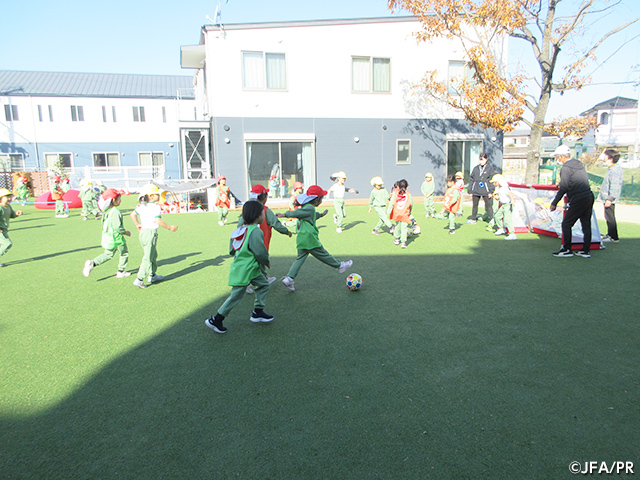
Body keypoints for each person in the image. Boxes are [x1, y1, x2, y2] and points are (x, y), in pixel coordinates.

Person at [205, 201, 274, 334]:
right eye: (262, 213)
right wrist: (267, 261)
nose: (264, 215)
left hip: (246, 269)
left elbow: (231, 250)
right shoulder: (256, 231)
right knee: (236, 296)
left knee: (264, 284)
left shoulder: (239, 230)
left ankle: (258, 311)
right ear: (257, 215)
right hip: (247, 269)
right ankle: (216, 319)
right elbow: (260, 251)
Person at [276, 185, 353, 292]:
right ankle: (340, 266)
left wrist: (321, 215)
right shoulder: (310, 208)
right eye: (321, 198)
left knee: (299, 259)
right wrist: (285, 214)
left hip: (301, 238)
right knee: (323, 254)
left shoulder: (306, 208)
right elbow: (298, 213)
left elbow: (311, 215)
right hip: (309, 238)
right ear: (316, 199)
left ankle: (289, 279)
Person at [244, 184, 292, 293]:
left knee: (252, 261)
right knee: (259, 261)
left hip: (246, 242)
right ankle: (251, 282)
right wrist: (287, 232)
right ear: (264, 197)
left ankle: (261, 278)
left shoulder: (247, 209)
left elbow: (240, 225)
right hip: (261, 241)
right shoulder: (265, 210)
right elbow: (276, 224)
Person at [130, 184, 178, 289]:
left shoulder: (141, 206)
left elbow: (133, 214)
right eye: (157, 194)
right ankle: (139, 279)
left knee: (153, 254)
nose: (159, 196)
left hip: (143, 233)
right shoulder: (156, 207)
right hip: (150, 233)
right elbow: (158, 220)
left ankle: (152, 275)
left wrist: (137, 224)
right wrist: (170, 227)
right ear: (151, 196)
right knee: (148, 256)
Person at [549, 144, 595, 258]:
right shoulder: (579, 164)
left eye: (556, 157)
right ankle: (585, 250)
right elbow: (573, 180)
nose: (557, 159)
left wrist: (554, 203)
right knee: (586, 223)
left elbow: (564, 187)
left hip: (578, 198)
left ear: (561, 156)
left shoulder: (566, 168)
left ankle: (567, 249)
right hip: (588, 196)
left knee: (566, 223)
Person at [83, 188, 132, 278]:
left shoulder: (106, 211)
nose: (120, 200)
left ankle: (92, 263)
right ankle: (121, 271)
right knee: (124, 253)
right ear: (113, 200)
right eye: (119, 198)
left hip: (108, 237)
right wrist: (125, 232)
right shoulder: (115, 211)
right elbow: (117, 227)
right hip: (117, 238)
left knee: (108, 254)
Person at [599, 149, 623, 243]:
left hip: (609, 198)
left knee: (610, 217)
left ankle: (613, 237)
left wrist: (610, 198)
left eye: (605, 156)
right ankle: (610, 234)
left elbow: (615, 186)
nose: (603, 157)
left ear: (610, 158)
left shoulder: (615, 170)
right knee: (608, 216)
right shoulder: (612, 169)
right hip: (607, 197)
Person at [467, 153, 495, 224]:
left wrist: (491, 191)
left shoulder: (490, 168)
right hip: (476, 190)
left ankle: (492, 220)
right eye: (480, 159)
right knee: (475, 205)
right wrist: (470, 190)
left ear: (486, 159)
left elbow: (492, 180)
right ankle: (473, 219)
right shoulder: (476, 168)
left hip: (486, 191)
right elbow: (471, 179)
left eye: (483, 159)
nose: (481, 161)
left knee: (489, 206)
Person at [0, 188, 23, 267]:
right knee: (7, 244)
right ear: (1, 198)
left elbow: (12, 215)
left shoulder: (8, 206)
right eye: (7, 197)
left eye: (10, 197)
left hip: (4, 230)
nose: (9, 199)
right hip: (0, 231)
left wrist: (16, 214)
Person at [490, 174, 517, 240]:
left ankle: (512, 234)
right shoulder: (499, 189)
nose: (493, 184)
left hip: (507, 204)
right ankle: (501, 229)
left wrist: (512, 200)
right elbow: (502, 196)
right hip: (503, 205)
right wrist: (497, 197)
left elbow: (509, 194)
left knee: (507, 219)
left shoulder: (504, 188)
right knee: (497, 216)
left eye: (495, 182)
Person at [387, 179, 412, 248]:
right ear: (407, 187)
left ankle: (396, 239)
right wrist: (410, 211)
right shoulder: (408, 194)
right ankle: (403, 242)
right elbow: (411, 204)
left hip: (397, 213)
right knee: (404, 228)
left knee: (398, 226)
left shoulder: (395, 194)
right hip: (405, 214)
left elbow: (391, 203)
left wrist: (388, 212)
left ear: (398, 187)